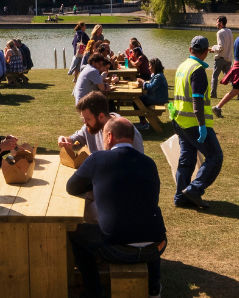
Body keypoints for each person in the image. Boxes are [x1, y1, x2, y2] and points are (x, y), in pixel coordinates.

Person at [66, 117, 167, 298]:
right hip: (156, 246)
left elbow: (71, 187)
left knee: (76, 234)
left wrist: (96, 184)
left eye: (103, 136)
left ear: (110, 136)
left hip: (117, 250)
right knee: (145, 221)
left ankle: (94, 292)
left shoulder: (98, 159)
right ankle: (153, 287)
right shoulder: (149, 163)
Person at [168, 36, 222, 209]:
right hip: (193, 123)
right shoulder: (198, 70)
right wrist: (201, 125)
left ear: (190, 49)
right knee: (215, 156)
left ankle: (180, 197)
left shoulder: (182, 66)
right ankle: (194, 189)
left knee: (187, 159)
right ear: (206, 52)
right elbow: (197, 101)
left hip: (179, 120)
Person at [211, 17, 235, 97]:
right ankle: (238, 90)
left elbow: (221, 47)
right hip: (228, 58)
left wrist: (213, 49)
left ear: (221, 23)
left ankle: (213, 94)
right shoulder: (230, 31)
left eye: (217, 22)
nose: (216, 24)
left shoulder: (220, 33)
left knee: (215, 76)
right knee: (228, 77)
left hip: (221, 58)